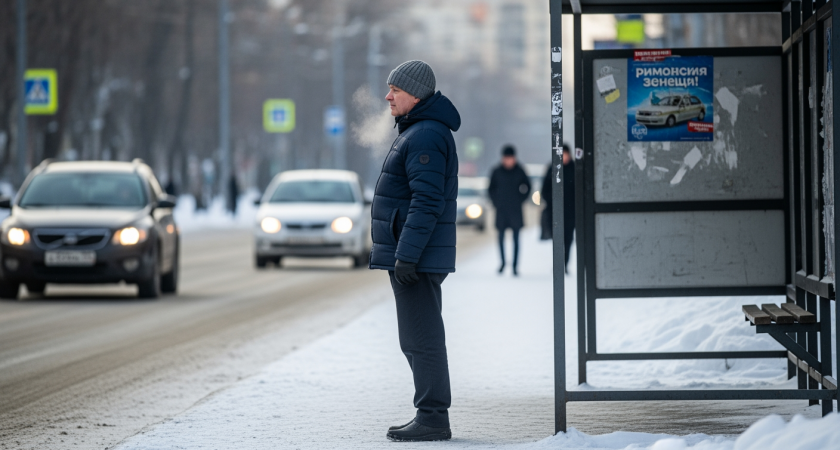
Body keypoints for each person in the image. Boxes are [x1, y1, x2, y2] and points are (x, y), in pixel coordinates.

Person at [369, 60, 460, 442]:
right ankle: (430, 412)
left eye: (396, 90)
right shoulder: (418, 130)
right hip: (414, 255)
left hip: (415, 259)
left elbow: (426, 201)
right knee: (416, 336)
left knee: (421, 337)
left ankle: (433, 417)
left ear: (417, 95)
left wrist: (406, 255)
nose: (388, 96)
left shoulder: (424, 135)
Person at [488, 145, 530, 276]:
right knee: (500, 238)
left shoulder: (520, 170)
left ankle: (515, 266)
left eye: (510, 158)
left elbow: (527, 186)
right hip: (501, 210)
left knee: (516, 239)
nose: (508, 161)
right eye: (506, 158)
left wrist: (520, 199)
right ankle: (502, 263)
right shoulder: (496, 171)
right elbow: (491, 189)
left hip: (516, 210)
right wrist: (496, 202)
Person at [540, 144, 575, 272]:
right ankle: (558, 264)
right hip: (555, 211)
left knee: (568, 239)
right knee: (557, 240)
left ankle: (565, 264)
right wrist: (552, 202)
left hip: (571, 211)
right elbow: (545, 189)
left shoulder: (574, 168)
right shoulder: (552, 168)